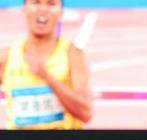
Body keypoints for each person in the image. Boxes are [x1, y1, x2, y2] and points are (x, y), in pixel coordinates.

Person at [0, 0, 92, 130]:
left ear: (61, 13)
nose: (43, 9)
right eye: (36, 2)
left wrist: (47, 77)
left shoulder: (73, 55)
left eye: (51, 4)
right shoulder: (6, 57)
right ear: (24, 9)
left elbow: (85, 113)